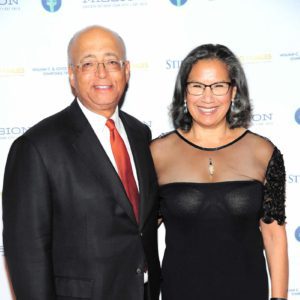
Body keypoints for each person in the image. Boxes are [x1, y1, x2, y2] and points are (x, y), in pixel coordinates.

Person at [2, 25, 160, 300]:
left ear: (127, 70)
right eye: (88, 63)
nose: (102, 73)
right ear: (72, 75)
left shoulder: (140, 134)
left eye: (111, 61)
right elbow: (27, 253)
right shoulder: (36, 147)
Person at [150, 44, 288, 300]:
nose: (208, 97)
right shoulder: (156, 154)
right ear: (184, 92)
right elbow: (140, 233)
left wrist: (279, 299)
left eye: (218, 86)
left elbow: (273, 234)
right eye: (197, 86)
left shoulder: (263, 152)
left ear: (233, 91)